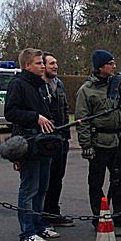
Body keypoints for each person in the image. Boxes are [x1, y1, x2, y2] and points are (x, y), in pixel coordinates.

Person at [4, 48, 59, 241]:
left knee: (43, 186)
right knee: (30, 187)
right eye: (39, 63)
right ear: (27, 65)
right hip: (29, 142)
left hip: (44, 143)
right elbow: (11, 112)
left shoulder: (41, 85)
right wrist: (35, 117)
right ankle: (27, 231)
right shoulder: (18, 84)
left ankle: (39, 224)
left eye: (43, 63)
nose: (43, 66)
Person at [75, 50, 121, 228]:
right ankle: (99, 215)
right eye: (110, 63)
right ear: (100, 66)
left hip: (117, 140)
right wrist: (86, 145)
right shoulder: (87, 90)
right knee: (96, 181)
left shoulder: (116, 86)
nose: (114, 66)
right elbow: (82, 120)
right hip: (99, 141)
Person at [43, 52, 73, 227]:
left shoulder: (59, 84)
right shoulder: (39, 86)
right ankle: (42, 214)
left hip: (61, 138)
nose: (55, 66)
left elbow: (65, 108)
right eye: (51, 63)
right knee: (44, 180)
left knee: (57, 178)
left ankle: (53, 212)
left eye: (56, 63)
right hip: (46, 140)